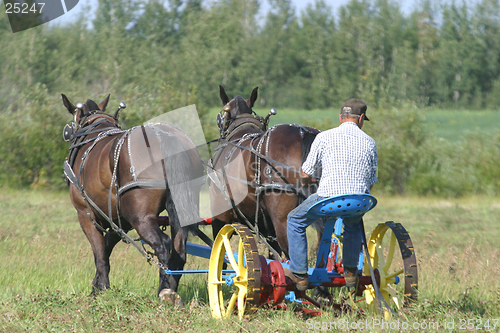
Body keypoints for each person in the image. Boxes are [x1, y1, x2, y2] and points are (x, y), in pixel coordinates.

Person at [284, 98, 378, 291]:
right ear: (361, 118)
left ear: (340, 117)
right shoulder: (370, 142)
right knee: (352, 224)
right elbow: (371, 180)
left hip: (328, 199)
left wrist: (307, 182)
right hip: (359, 201)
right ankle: (351, 272)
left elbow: (305, 174)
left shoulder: (324, 137)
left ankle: (300, 274)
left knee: (294, 220)